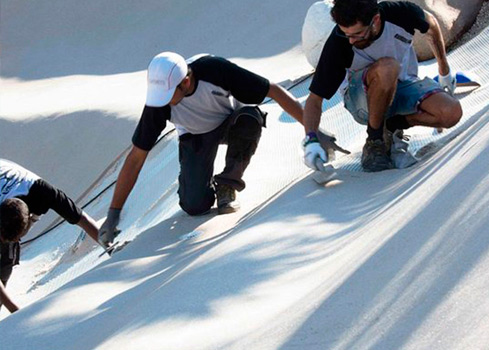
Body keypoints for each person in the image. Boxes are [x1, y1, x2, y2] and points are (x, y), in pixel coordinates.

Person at [98, 52, 348, 247]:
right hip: (195, 135)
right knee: (195, 206)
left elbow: (273, 91)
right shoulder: (158, 101)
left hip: (232, 123)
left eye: (168, 93)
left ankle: (229, 182)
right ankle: (202, 189)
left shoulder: (215, 69)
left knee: (250, 117)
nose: (162, 99)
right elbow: (135, 158)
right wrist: (113, 213)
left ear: (185, 81)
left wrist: (313, 132)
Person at [302, 0, 462, 172]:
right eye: (346, 34)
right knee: (388, 68)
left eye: (357, 34)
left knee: (451, 112)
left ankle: (392, 126)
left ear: (376, 20)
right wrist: (311, 139)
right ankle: (374, 141)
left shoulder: (400, 14)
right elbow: (315, 99)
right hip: (362, 101)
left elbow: (431, 25)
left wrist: (444, 72)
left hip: (403, 85)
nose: (350, 41)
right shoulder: (339, 42)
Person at [0, 159, 101, 314]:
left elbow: (82, 218)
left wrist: (111, 245)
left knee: (6, 263)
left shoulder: (44, 193)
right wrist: (16, 312)